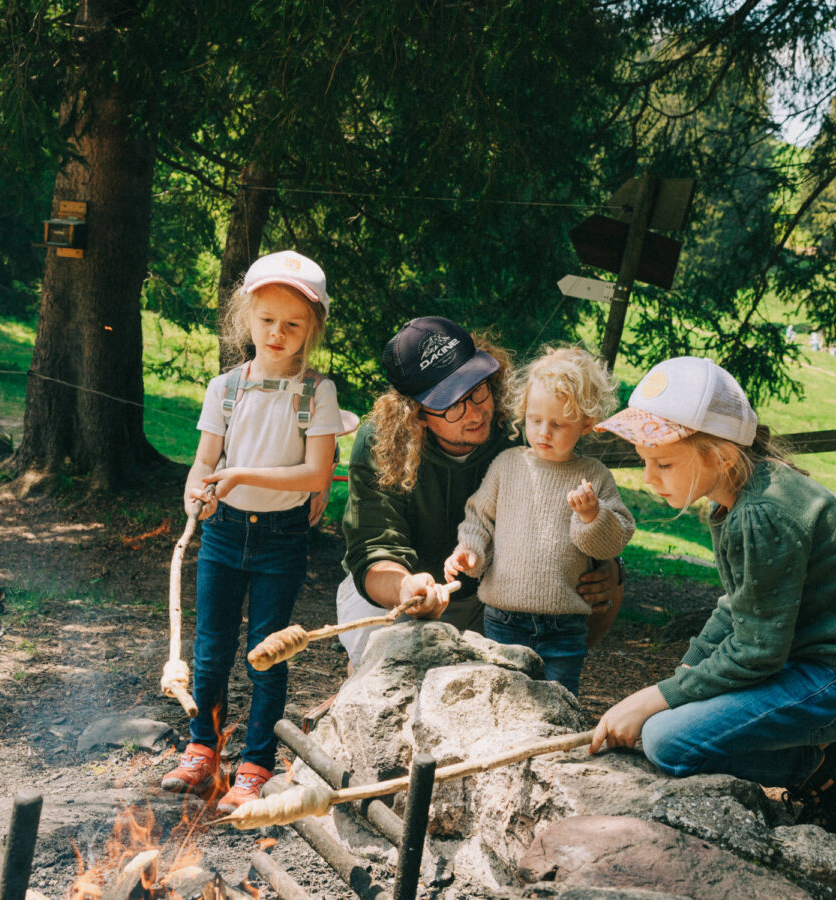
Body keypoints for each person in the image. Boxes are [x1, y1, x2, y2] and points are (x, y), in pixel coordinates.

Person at [588, 356, 836, 838]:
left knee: (667, 743)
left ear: (720, 456)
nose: (648, 478)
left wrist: (656, 700)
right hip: (808, 662)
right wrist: (681, 681)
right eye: (644, 461)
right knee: (663, 722)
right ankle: (821, 756)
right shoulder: (740, 494)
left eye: (664, 463)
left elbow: (758, 651)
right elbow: (738, 606)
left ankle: (825, 766)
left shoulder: (761, 515)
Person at [161, 250, 347, 814]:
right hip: (222, 533)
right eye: (267, 321)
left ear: (311, 330)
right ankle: (202, 749)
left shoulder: (319, 393)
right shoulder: (225, 388)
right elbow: (203, 461)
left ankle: (256, 763)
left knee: (266, 652)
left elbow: (316, 473)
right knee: (211, 648)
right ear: (248, 318)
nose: (277, 333)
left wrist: (239, 474)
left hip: (283, 538)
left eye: (292, 325)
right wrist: (196, 489)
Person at [337, 317, 625, 668]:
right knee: (384, 672)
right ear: (416, 414)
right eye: (451, 403)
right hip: (396, 586)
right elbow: (374, 548)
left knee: (612, 582)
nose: (474, 412)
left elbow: (569, 495)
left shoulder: (522, 424)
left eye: (477, 389)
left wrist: (609, 566)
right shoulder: (381, 443)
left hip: (494, 593)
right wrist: (405, 589)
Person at [443, 346, 635, 696]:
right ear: (524, 414)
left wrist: (592, 516)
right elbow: (479, 519)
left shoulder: (593, 475)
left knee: (557, 703)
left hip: (565, 625)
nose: (544, 432)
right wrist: (469, 551)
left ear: (586, 424)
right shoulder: (508, 465)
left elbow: (614, 539)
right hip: (503, 619)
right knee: (498, 699)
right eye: (535, 419)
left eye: (559, 424)